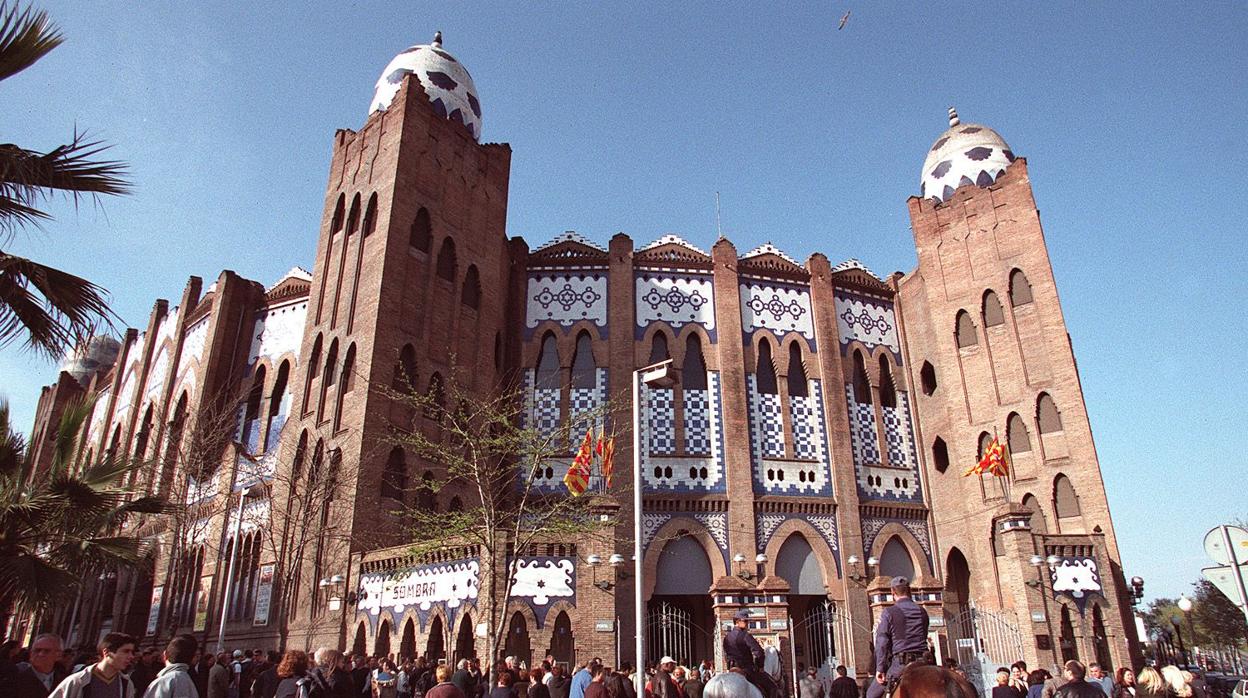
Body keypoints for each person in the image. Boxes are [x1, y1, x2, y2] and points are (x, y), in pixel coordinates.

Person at [866, 577, 929, 698]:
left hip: (901, 664)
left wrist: (880, 669)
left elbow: (882, 643)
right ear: (909, 591)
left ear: (892, 592)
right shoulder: (922, 611)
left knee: (871, 695)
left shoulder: (889, 612)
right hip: (924, 661)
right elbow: (924, 634)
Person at [48, 632, 138, 698]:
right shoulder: (77, 681)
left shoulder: (126, 684)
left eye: (132, 652)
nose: (131, 656)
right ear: (106, 652)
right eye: (125, 651)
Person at [723, 609, 778, 698]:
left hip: (732, 669)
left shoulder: (726, 637)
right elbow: (759, 652)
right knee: (772, 687)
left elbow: (726, 654)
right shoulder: (745, 635)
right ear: (737, 621)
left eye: (747, 621)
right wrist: (760, 666)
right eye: (745, 621)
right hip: (747, 670)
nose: (747, 623)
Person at [12, 633, 69, 698]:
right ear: (31, 653)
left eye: (46, 651)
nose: (40, 654)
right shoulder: (14, 677)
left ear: (59, 655)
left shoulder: (65, 681)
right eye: (37, 650)